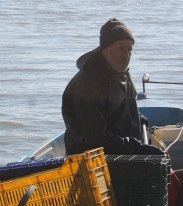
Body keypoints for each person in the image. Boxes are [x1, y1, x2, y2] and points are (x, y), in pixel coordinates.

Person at [61, 18, 163, 156]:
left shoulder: (121, 73)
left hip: (122, 150)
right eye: (121, 49)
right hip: (92, 160)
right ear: (104, 50)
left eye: (129, 49)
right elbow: (97, 139)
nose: (127, 55)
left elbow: (121, 108)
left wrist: (137, 117)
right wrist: (137, 148)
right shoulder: (87, 85)